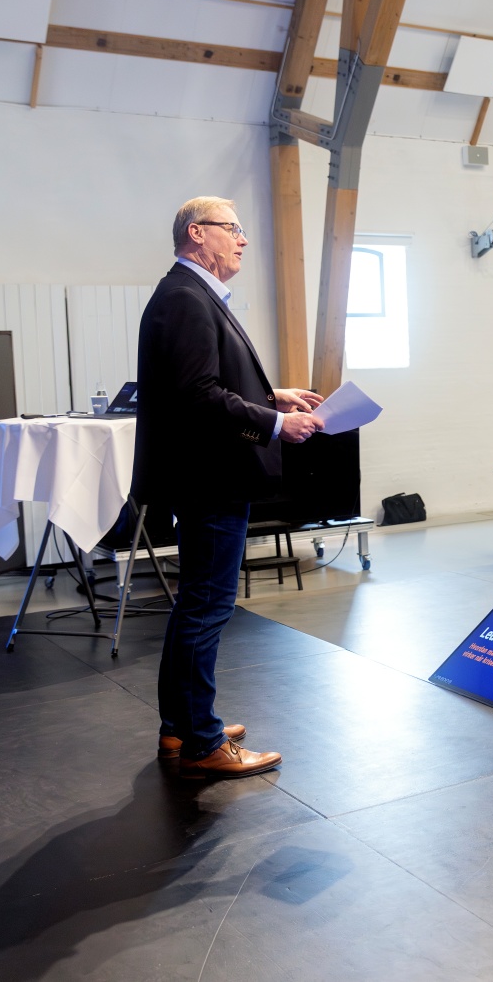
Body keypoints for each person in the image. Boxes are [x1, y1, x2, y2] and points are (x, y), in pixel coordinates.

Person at [135, 196, 325, 779]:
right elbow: (196, 397)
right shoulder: (187, 299)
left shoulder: (188, 295)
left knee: (198, 602)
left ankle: (181, 726)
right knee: (207, 605)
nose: (243, 239)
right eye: (233, 229)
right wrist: (274, 423)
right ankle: (201, 741)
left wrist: (273, 397)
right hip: (210, 476)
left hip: (205, 473)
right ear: (198, 234)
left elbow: (210, 385)